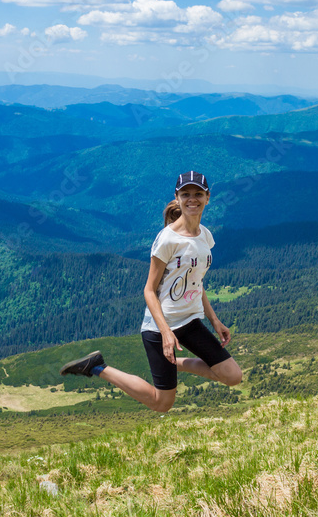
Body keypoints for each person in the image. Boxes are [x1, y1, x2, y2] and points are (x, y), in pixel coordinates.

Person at [60, 170, 243, 412]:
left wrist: (214, 320)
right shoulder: (167, 239)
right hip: (160, 327)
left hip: (189, 321)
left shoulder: (205, 236)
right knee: (162, 403)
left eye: (198, 194)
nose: (192, 199)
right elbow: (148, 290)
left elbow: (196, 282)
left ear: (208, 197)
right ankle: (97, 367)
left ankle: (174, 364)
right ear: (177, 197)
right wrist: (166, 333)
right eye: (185, 194)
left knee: (233, 376)